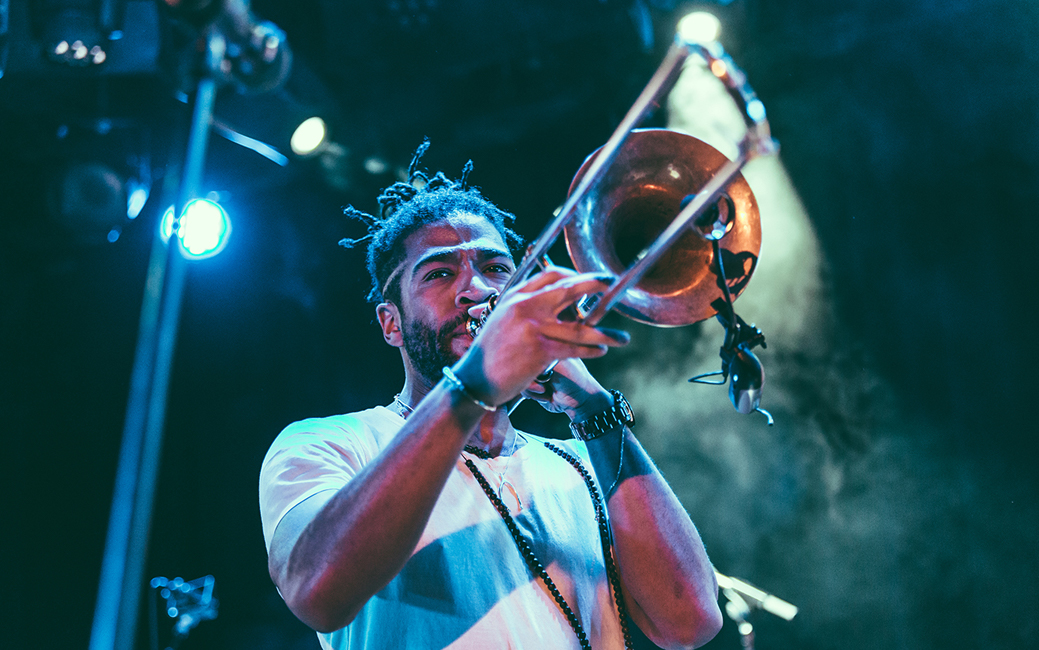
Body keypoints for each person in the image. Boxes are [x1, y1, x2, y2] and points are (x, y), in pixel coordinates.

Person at [259, 142, 723, 650]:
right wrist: (477, 382)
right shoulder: (331, 442)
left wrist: (594, 408)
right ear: (391, 323)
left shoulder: (578, 466)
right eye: (439, 273)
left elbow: (690, 620)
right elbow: (315, 593)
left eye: (497, 269)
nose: (476, 288)